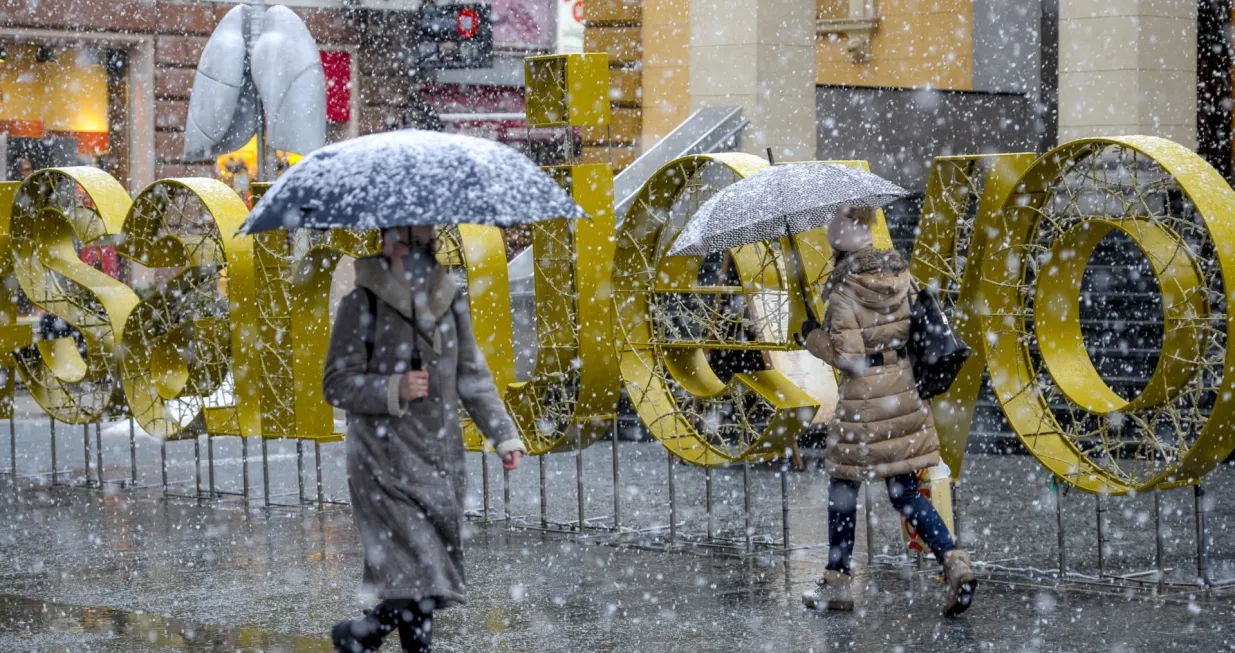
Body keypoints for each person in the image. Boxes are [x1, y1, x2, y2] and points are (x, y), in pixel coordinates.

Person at [323, 225, 526, 653]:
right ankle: (381, 639)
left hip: (438, 461)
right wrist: (393, 387)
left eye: (429, 242)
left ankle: (362, 634)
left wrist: (504, 435)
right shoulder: (360, 304)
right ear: (389, 243)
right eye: (415, 241)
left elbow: (473, 376)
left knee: (424, 581)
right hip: (382, 462)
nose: (424, 250)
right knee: (421, 574)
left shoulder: (449, 303)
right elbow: (336, 384)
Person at [799, 206, 976, 617]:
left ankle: (837, 583)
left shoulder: (844, 292)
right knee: (905, 492)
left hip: (864, 403)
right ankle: (953, 560)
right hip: (905, 393)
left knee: (843, 487)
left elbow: (848, 358)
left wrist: (813, 338)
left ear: (837, 248)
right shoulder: (902, 277)